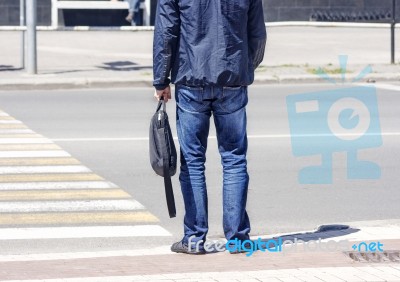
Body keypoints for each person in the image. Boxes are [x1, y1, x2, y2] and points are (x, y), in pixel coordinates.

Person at [153, 0, 267, 254]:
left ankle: (193, 239)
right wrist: (243, 67)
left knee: (193, 161)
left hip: (191, 78)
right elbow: (257, 34)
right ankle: (238, 240)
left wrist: (161, 80)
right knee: (235, 159)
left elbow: (166, 30)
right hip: (232, 78)